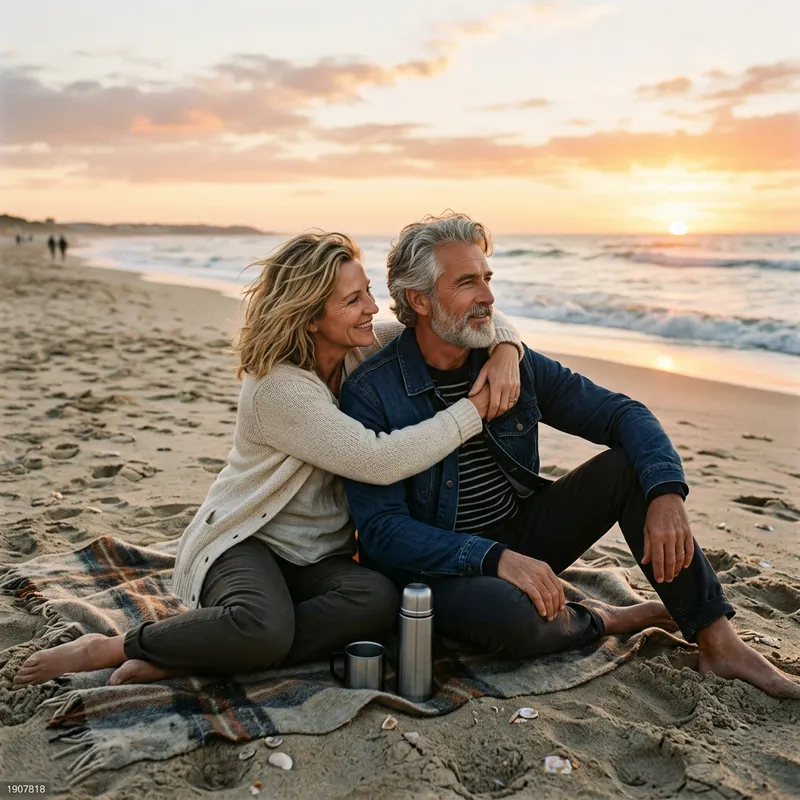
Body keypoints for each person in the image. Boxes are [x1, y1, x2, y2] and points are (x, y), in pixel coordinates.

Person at [13, 231, 524, 689]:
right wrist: (474, 410)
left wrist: (505, 351)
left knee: (377, 601)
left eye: (367, 290)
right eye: (353, 299)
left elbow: (462, 318)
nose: (373, 307)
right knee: (263, 627)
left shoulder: (363, 350)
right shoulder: (278, 387)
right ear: (309, 315)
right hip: (245, 541)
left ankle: (200, 653)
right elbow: (378, 460)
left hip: (317, 556)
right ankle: (116, 646)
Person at [341, 213, 800, 700]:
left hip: (520, 533)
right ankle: (608, 617)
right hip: (433, 568)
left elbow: (623, 414)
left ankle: (719, 643)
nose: (489, 297)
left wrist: (666, 494)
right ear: (420, 300)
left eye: (488, 278)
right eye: (468, 282)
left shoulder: (513, 361)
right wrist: (494, 558)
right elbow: (383, 531)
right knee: (509, 619)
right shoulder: (373, 392)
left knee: (631, 469)